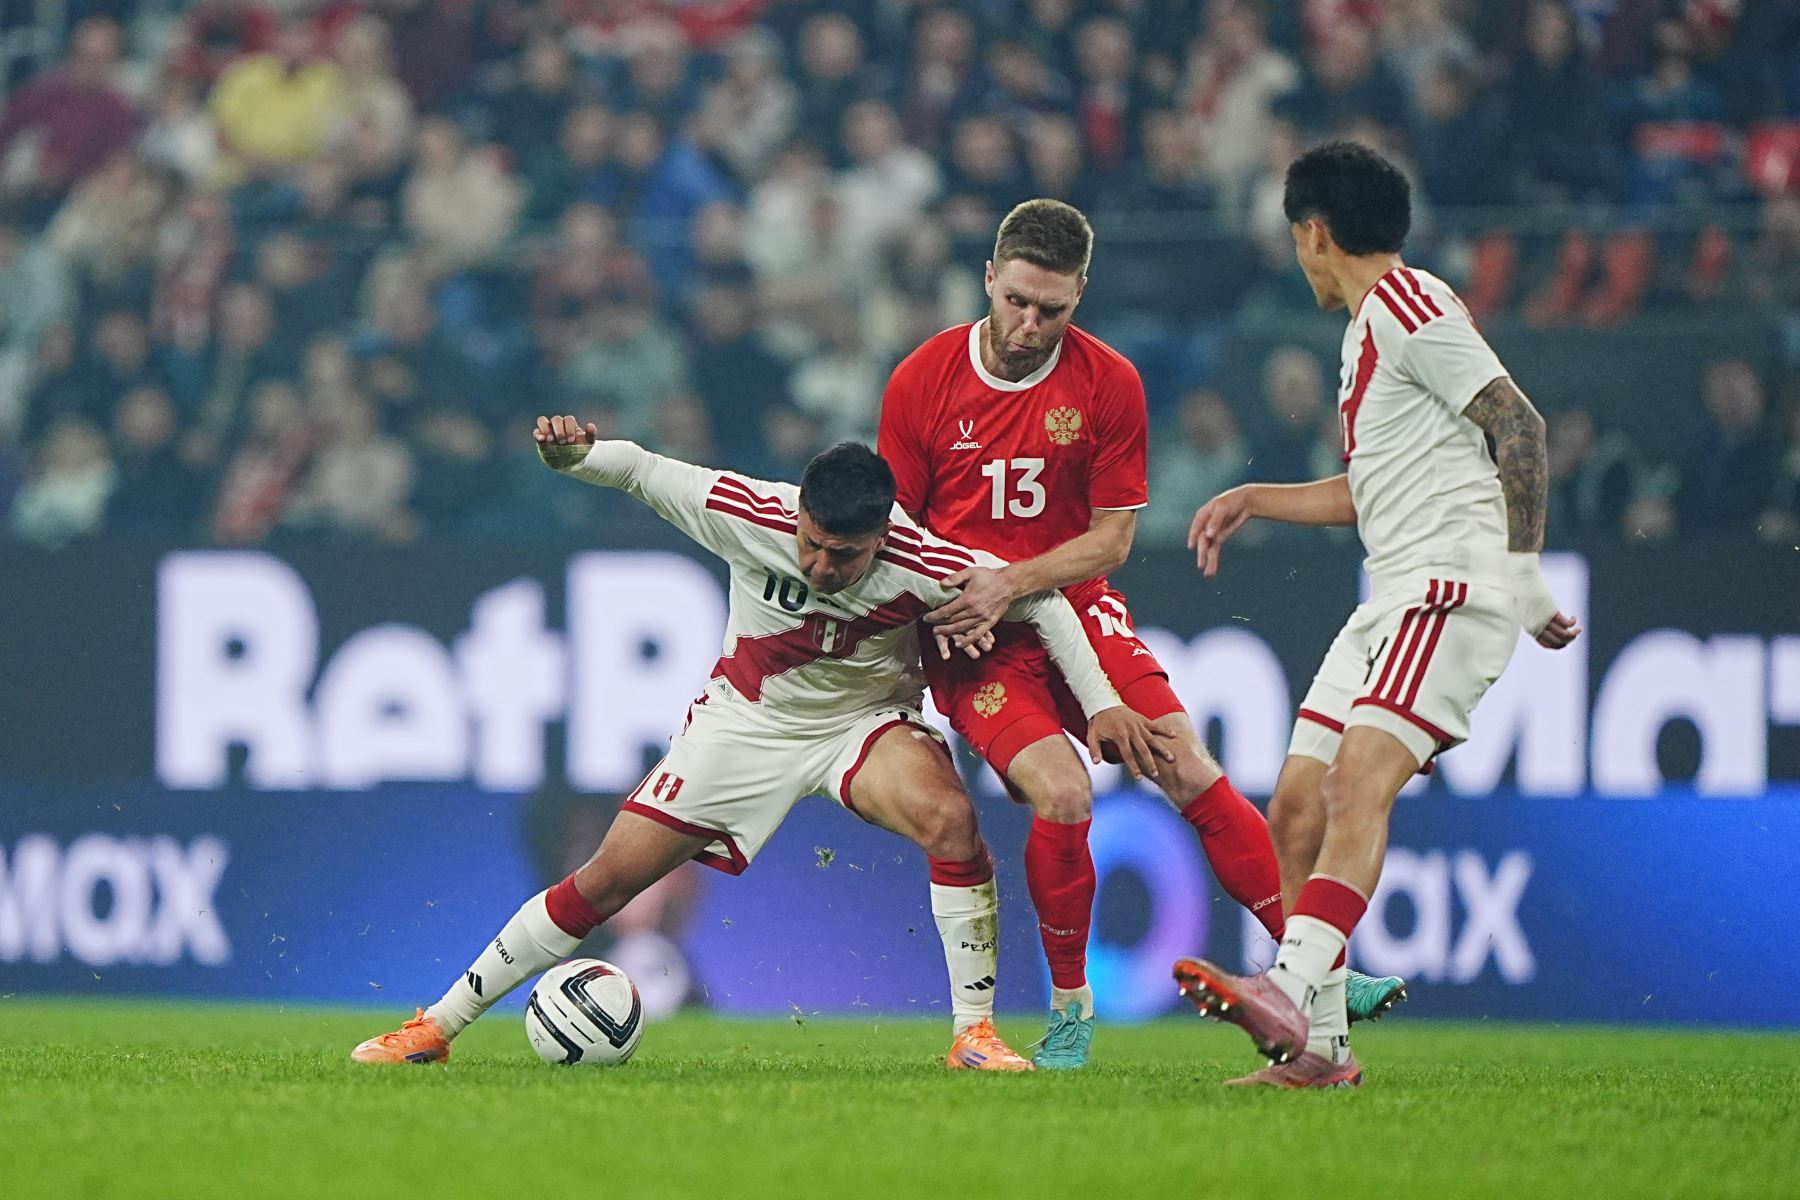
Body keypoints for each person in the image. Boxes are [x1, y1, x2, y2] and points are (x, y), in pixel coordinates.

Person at [351, 421, 1172, 1070]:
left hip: (863, 726)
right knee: (602, 882)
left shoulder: (929, 564)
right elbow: (640, 468)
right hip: (744, 725)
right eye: (810, 541)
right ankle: (435, 1025)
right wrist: (577, 457)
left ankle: (974, 1035)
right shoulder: (749, 511)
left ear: (883, 536)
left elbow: (1049, 607)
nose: (817, 563)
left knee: (953, 823)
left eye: (842, 554)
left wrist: (1099, 705)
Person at [876, 198, 1405, 1070]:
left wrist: (1017, 578)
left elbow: (1113, 539)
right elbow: (897, 534)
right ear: (988, 279)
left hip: (1077, 609)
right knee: (1064, 792)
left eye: (1053, 309)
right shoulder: (922, 381)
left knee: (1187, 762)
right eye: (1015, 301)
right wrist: (956, 608)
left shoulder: (1109, 382)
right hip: (974, 636)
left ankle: (1314, 968)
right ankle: (1072, 1011)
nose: (1028, 325)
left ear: (1082, 292)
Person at [1173, 141, 1580, 1088]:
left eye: (1295, 239)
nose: (1297, 256)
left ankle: (1289, 987)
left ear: (1316, 233)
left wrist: (1523, 574)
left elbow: (1519, 425)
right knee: (1298, 804)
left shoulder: (1406, 304)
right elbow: (1373, 491)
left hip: (1450, 584)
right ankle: (1322, 1050)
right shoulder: (1373, 328)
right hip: (1392, 592)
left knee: (1357, 787)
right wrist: (1257, 497)